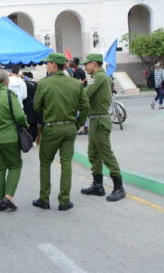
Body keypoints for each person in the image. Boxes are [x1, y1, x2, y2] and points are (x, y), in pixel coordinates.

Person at [33, 52, 90, 211]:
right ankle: (64, 200)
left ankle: (44, 198)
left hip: (51, 128)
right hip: (70, 127)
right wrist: (77, 123)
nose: (46, 66)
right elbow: (85, 107)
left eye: (47, 63)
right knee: (66, 164)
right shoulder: (76, 84)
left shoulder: (44, 84)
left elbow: (37, 107)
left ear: (53, 65)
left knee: (45, 163)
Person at [80, 54, 126, 202]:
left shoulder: (99, 76)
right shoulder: (97, 76)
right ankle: (97, 185)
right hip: (95, 120)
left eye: (86, 64)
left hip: (100, 120)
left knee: (106, 154)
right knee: (93, 154)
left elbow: (86, 94)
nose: (85, 67)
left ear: (94, 64)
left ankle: (119, 188)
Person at [0, 69, 28, 211]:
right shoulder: (10, 95)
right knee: (15, 165)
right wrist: (25, 123)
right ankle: (8, 198)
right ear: (7, 81)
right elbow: (19, 116)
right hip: (9, 137)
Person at [21, 72, 42, 143]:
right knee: (35, 124)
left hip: (27, 106)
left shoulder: (24, 85)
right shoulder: (35, 84)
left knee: (30, 123)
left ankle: (31, 138)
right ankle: (34, 138)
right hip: (35, 105)